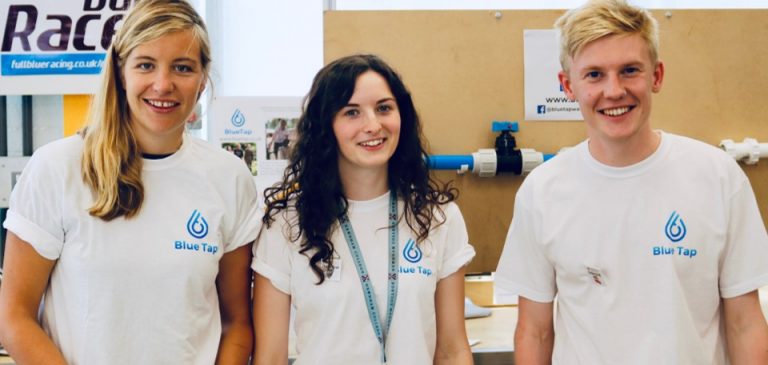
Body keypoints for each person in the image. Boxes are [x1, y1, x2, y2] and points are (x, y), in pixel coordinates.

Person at [495, 1, 768, 364]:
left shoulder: (718, 177)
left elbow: (745, 322)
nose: (614, 90)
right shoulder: (543, 191)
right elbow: (535, 330)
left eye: (629, 70)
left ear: (656, 76)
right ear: (568, 85)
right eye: (594, 74)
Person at [0, 1, 260, 364]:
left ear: (202, 81)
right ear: (121, 74)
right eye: (146, 65)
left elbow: (236, 324)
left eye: (182, 68)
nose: (163, 84)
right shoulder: (57, 168)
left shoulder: (229, 178)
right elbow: (14, 316)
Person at [251, 54, 475, 364]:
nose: (373, 125)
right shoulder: (286, 224)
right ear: (326, 125)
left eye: (384, 108)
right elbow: (270, 358)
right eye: (352, 112)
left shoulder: (437, 218)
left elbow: (452, 351)